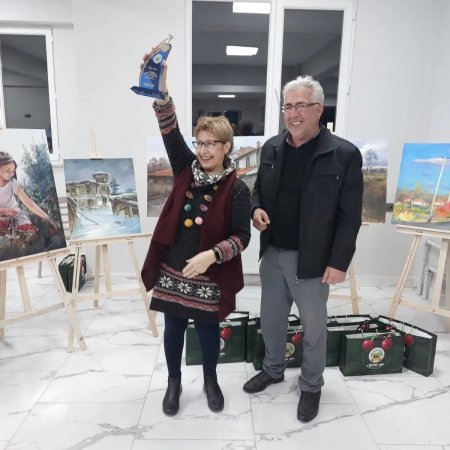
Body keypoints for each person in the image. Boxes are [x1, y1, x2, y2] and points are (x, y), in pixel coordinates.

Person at [242, 75, 363, 422]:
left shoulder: (343, 154)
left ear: (318, 110)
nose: (293, 113)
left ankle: (311, 386)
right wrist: (256, 209)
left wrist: (339, 262)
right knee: (272, 320)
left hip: (312, 260)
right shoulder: (272, 148)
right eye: (288, 106)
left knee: (313, 328)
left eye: (301, 106)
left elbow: (349, 217)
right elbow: (258, 190)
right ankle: (273, 369)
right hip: (273, 253)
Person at [141, 60, 251, 416]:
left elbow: (242, 237)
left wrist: (212, 256)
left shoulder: (238, 189)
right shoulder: (184, 168)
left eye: (211, 144)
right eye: (199, 143)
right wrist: (162, 92)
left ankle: (210, 380)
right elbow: (169, 130)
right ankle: (173, 382)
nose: (203, 150)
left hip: (209, 274)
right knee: (173, 328)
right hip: (173, 269)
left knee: (207, 329)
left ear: (226, 146)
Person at [0, 151, 57, 230]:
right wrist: (2, 211)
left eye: (13, 171)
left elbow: (30, 204)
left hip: (15, 215)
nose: (11, 174)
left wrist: (47, 217)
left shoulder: (12, 183)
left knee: (27, 229)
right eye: (7, 170)